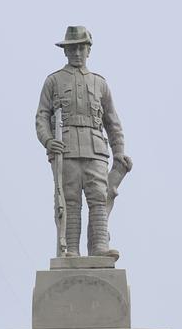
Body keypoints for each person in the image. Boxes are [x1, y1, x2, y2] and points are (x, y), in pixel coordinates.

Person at [35, 26, 132, 258]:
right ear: (65, 51)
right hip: (65, 150)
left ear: (88, 50)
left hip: (96, 150)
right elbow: (41, 116)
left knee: (99, 198)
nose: (77, 53)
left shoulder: (100, 84)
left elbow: (112, 121)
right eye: (72, 48)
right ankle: (70, 251)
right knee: (70, 202)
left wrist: (119, 152)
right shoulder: (53, 81)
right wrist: (48, 141)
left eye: (81, 47)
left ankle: (99, 246)